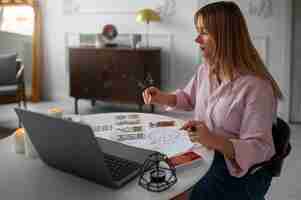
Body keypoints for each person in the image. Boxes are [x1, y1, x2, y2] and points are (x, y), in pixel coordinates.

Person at [142, 1, 282, 200]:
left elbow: (260, 148)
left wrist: (213, 140)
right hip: (204, 153)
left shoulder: (257, 87)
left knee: (171, 193)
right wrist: (161, 97)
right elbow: (188, 98)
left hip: (234, 172)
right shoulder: (206, 70)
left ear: (226, 37)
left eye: (204, 32)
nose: (197, 39)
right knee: (156, 179)